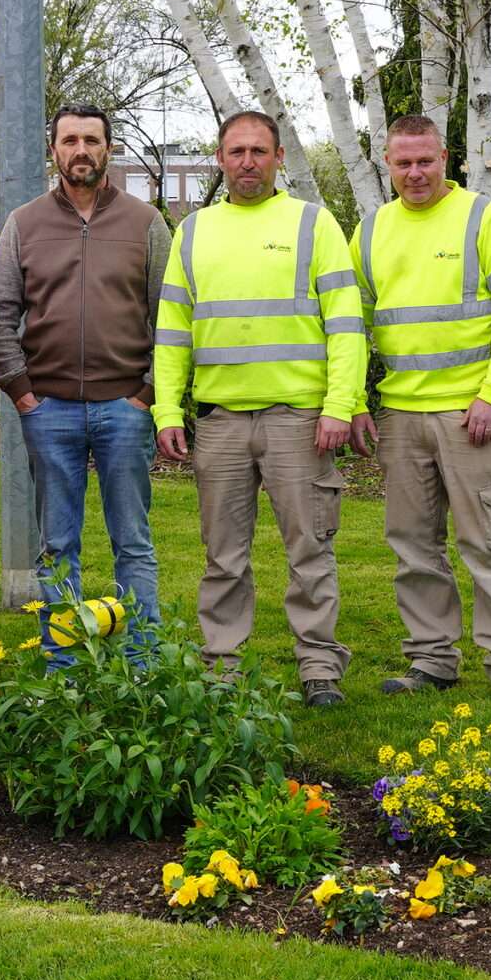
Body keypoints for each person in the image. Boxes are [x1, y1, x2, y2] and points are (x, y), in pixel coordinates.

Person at [153, 112, 367, 704]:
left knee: (310, 549)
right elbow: (172, 331)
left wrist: (339, 406)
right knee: (222, 556)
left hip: (298, 420)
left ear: (278, 158)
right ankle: (221, 665)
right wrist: (167, 411)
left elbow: (346, 327)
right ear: (219, 159)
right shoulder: (192, 232)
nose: (247, 162)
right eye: (236, 151)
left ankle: (319, 667)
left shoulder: (312, 224)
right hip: (220, 420)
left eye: (258, 151)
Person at [352, 115, 491, 702]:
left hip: (470, 415)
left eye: (425, 161)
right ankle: (432, 658)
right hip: (401, 417)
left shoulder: (486, 219)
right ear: (388, 165)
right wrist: (355, 401)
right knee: (413, 547)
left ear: (447, 159)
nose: (415, 173)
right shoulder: (371, 230)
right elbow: (351, 326)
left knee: (489, 542)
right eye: (403, 163)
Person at [0, 103, 170, 665]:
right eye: (70, 140)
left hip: (125, 407)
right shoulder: (25, 224)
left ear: (108, 148)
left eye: (91, 139)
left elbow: (173, 317)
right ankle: (65, 660)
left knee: (132, 542)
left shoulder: (145, 222)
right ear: (54, 150)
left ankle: (142, 660)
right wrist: (22, 393)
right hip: (50, 409)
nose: (80, 150)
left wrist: (148, 394)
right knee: (57, 545)